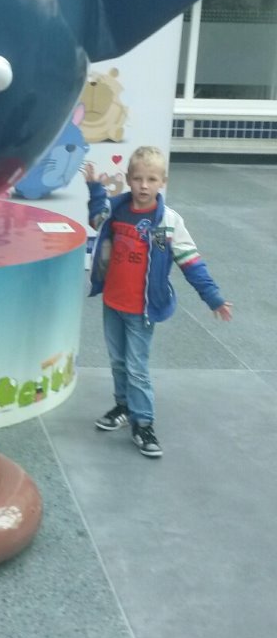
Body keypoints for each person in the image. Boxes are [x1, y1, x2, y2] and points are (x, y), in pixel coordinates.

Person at [84, 147, 232, 458]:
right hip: (113, 303)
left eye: (151, 179)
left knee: (137, 367)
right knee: (118, 361)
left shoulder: (168, 221)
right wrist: (95, 189)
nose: (144, 185)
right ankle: (123, 407)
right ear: (128, 179)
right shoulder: (117, 209)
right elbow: (97, 220)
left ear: (162, 181)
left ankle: (143, 422)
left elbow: (191, 262)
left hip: (142, 310)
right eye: (138, 178)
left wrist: (213, 297)